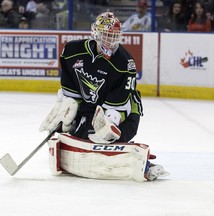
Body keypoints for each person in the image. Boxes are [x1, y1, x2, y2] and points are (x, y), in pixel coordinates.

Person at [39, 12, 168, 181]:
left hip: (125, 112)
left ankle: (141, 163)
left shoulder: (124, 63)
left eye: (114, 36)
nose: (111, 41)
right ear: (96, 34)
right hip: (92, 108)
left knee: (107, 134)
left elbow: (119, 106)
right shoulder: (72, 51)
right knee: (81, 135)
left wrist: (108, 126)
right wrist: (67, 112)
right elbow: (71, 90)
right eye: (107, 35)